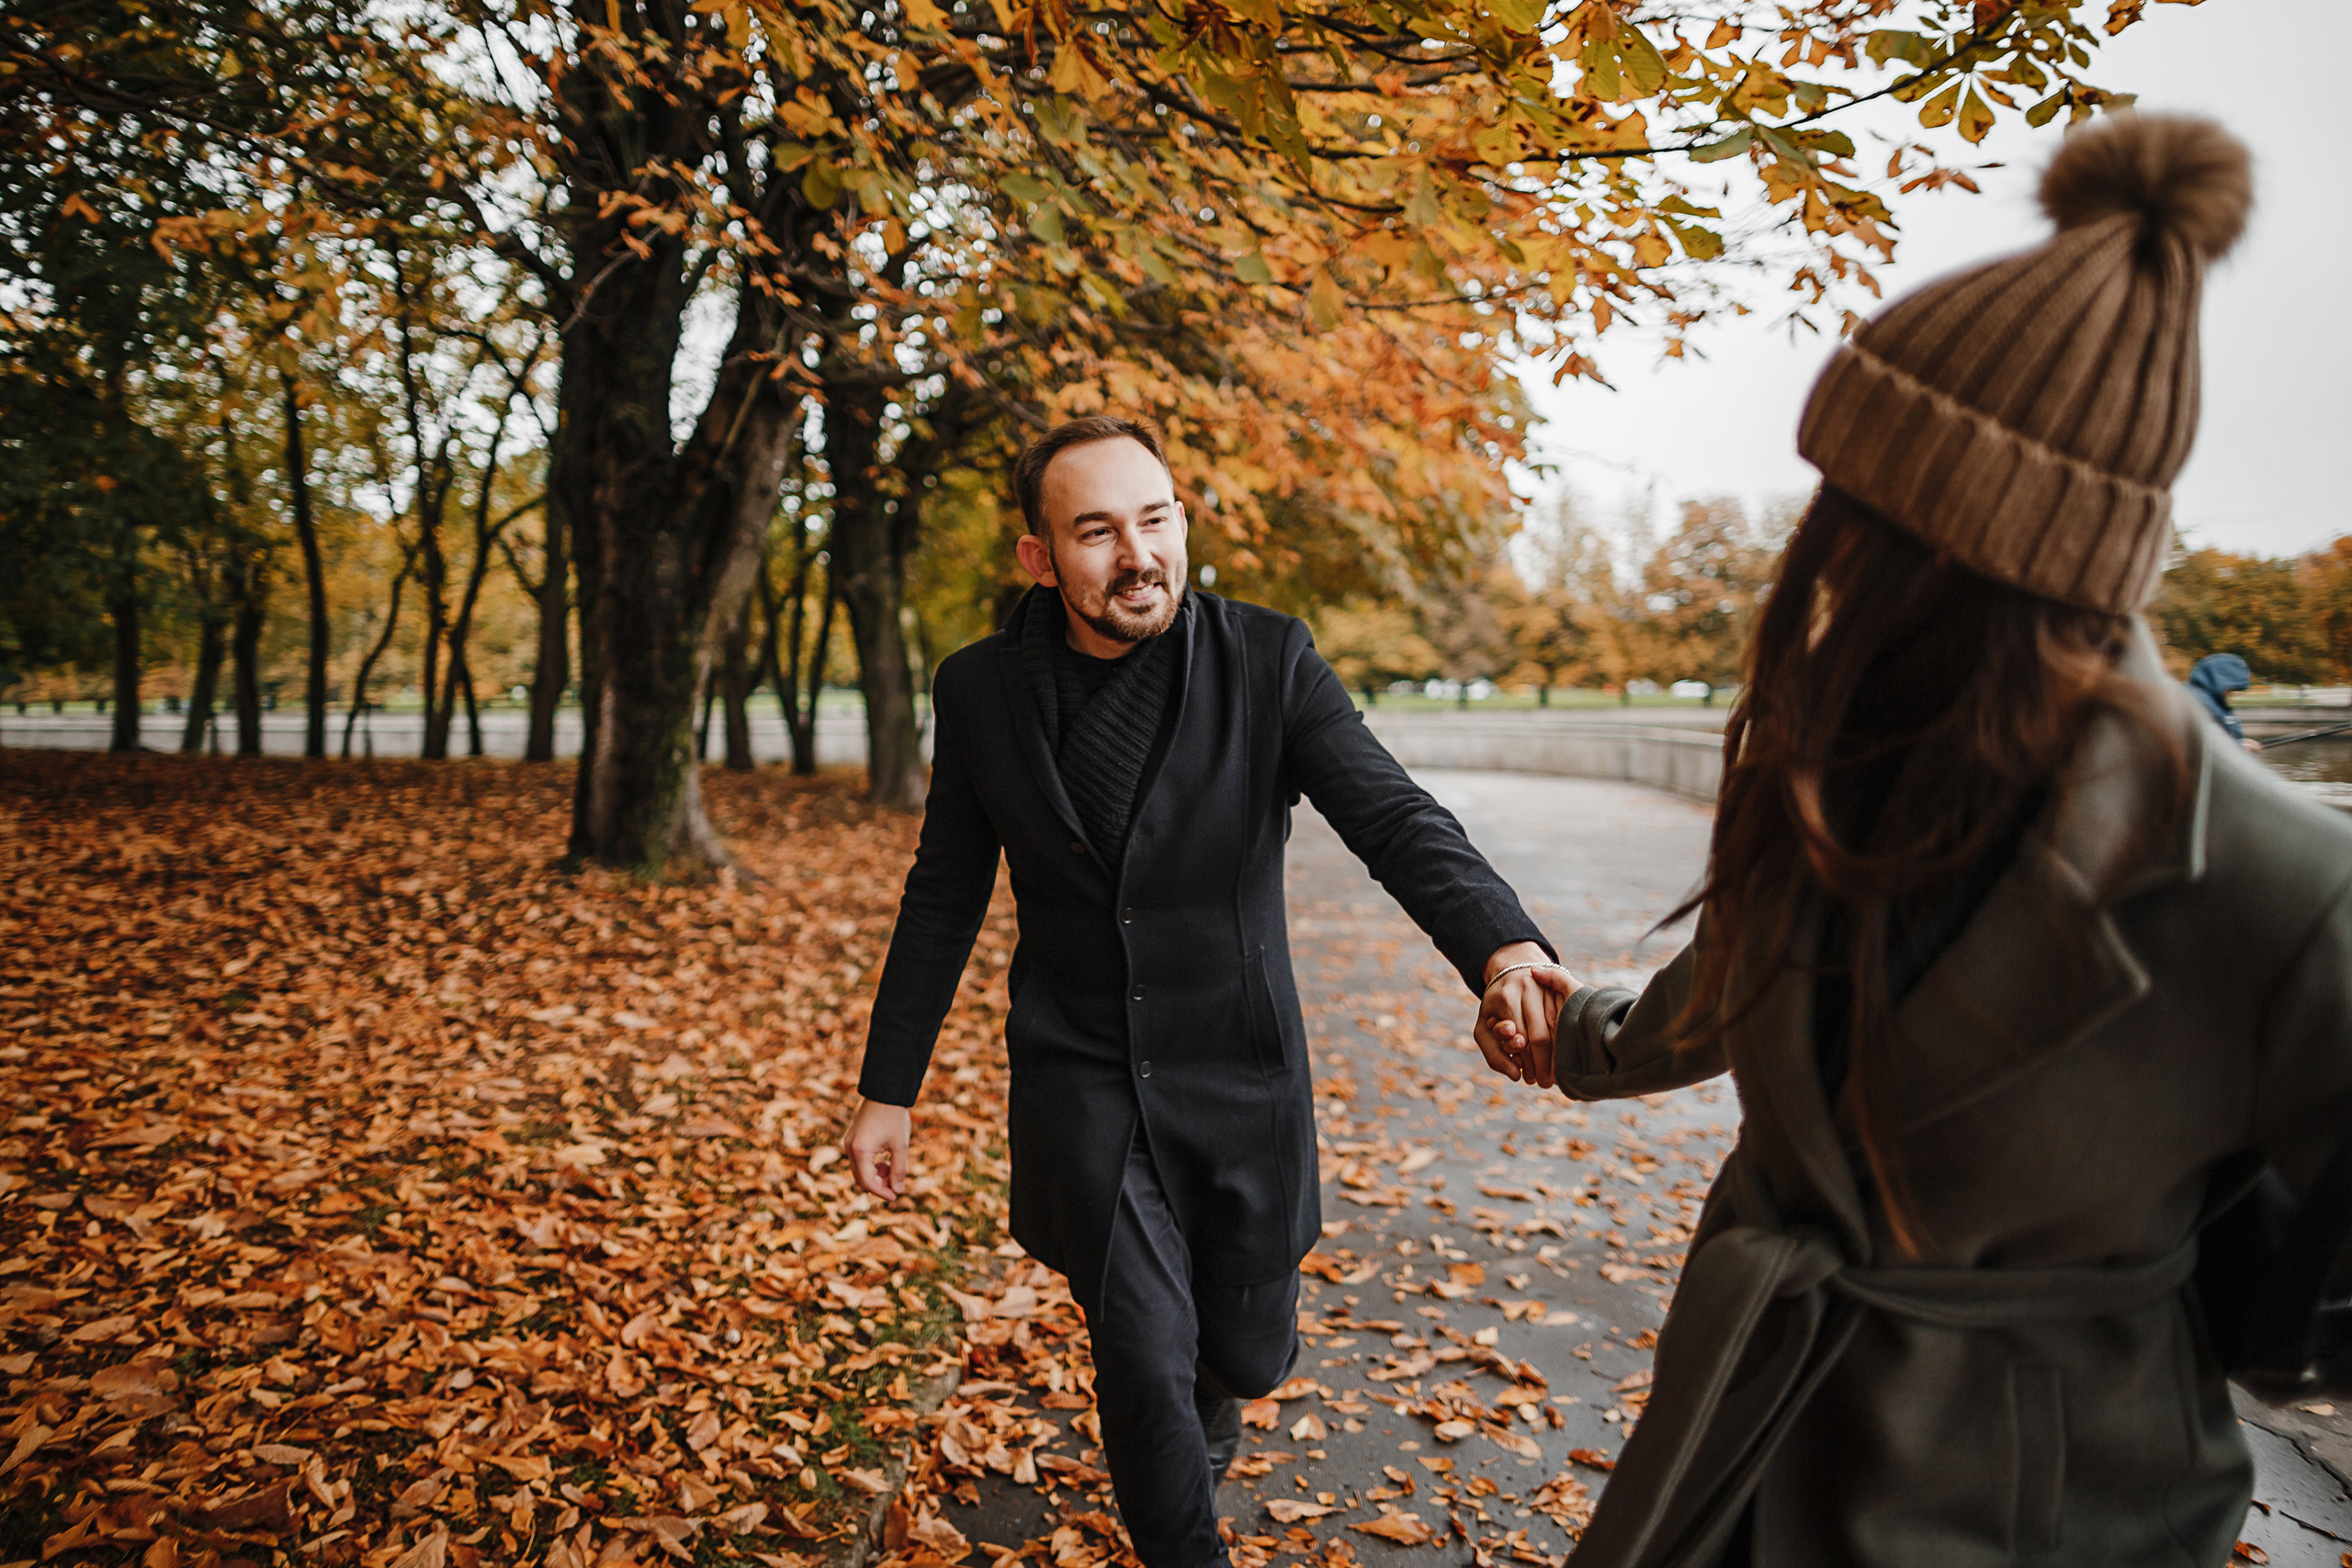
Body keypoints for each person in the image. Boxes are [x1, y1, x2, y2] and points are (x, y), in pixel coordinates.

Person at [1501, 115, 2352, 1567]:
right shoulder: (1848, 750)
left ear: (1966, 541)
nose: (1819, 546)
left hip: (2038, 1515)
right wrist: (1577, 1034)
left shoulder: (2280, 882)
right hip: (1748, 1451)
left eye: (1860, 505)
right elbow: (1740, 982)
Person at [841, 415, 1563, 1568]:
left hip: (1239, 1077)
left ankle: (1211, 1402)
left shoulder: (1267, 662)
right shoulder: (977, 690)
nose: (1137, 554)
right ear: (1039, 558)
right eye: (1095, 532)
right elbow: (943, 892)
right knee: (1137, 1347)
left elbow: (1393, 818)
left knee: (1241, 1355)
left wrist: (1506, 952)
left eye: (1155, 518)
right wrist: (890, 1088)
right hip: (1081, 1079)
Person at [2188, 651, 2264, 752]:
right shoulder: (2196, 702)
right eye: (2230, 689)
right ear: (2219, 681)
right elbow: (2193, 743)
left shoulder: (2209, 700)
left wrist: (2240, 742)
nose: (2230, 695)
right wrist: (2237, 747)